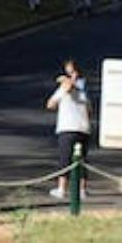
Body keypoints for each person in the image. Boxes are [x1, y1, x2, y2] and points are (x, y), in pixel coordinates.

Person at [46, 60, 92, 201]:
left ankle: (63, 189)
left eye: (71, 72)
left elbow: (51, 104)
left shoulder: (67, 88)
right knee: (80, 159)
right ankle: (82, 190)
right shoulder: (84, 89)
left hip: (68, 128)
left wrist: (64, 82)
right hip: (83, 128)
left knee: (66, 159)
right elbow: (90, 109)